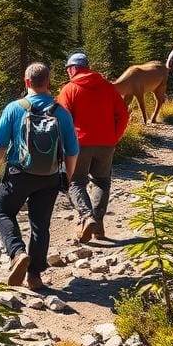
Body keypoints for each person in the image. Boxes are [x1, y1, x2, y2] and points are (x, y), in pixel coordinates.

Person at [0, 62, 79, 291]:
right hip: (49, 177)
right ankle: (35, 276)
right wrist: (67, 177)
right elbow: (72, 151)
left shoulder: (15, 108)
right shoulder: (61, 112)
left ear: (27, 82)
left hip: (19, 174)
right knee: (40, 224)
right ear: (48, 83)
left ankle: (17, 253)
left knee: (2, 211)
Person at [58, 52, 130, 242]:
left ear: (73, 69)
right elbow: (123, 114)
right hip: (106, 144)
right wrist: (115, 136)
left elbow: (62, 120)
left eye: (68, 69)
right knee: (101, 181)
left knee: (74, 182)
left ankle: (86, 216)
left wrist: (64, 144)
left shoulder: (70, 89)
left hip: (79, 144)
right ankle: (97, 225)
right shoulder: (108, 87)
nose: (67, 73)